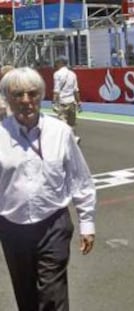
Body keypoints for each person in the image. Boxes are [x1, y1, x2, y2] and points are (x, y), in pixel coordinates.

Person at [0, 67, 96, 311]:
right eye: (17, 94)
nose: (25, 101)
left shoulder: (60, 132)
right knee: (25, 294)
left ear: (41, 95)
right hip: (13, 226)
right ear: (7, 98)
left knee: (52, 295)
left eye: (32, 94)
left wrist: (87, 223)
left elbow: (80, 178)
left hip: (53, 224)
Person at [52, 55, 81, 144]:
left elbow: (56, 90)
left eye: (57, 63)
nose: (56, 65)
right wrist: (79, 102)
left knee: (62, 122)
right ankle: (74, 138)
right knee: (71, 123)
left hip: (62, 102)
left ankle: (65, 141)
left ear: (60, 63)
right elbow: (76, 90)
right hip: (72, 101)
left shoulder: (57, 74)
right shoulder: (72, 74)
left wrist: (54, 102)